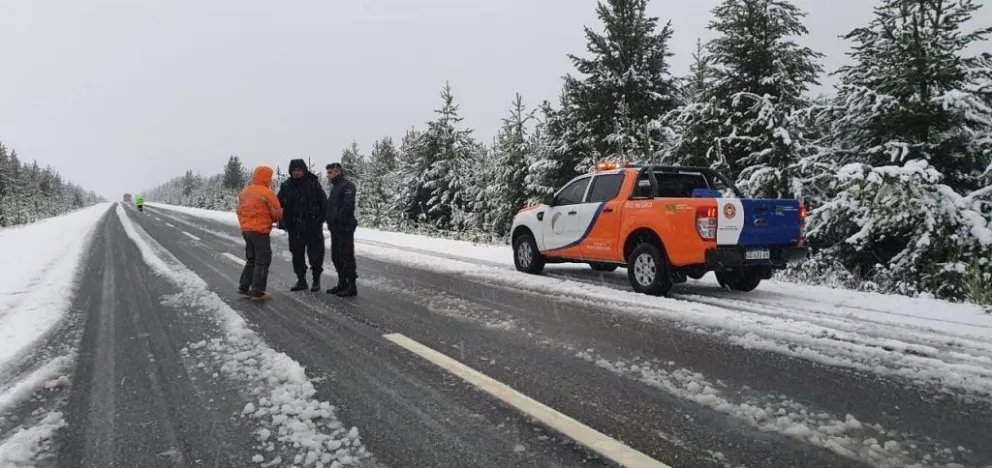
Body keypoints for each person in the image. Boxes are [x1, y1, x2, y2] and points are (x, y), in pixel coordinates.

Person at [277, 159, 327, 292]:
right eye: (294, 170)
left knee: (315, 255)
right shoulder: (286, 186)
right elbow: (278, 204)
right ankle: (301, 280)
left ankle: (316, 280)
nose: (296, 173)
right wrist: (281, 220)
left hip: (313, 226)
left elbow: (323, 202)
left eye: (299, 170)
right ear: (290, 171)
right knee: (297, 255)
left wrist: (320, 219)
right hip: (294, 227)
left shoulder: (313, 183)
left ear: (304, 170)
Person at [236, 165, 283, 301]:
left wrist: (245, 225)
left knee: (251, 259)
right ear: (267, 178)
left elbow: (239, 211)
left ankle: (244, 287)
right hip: (260, 231)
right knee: (262, 260)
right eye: (270, 177)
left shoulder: (244, 192)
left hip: (246, 230)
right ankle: (258, 292)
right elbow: (277, 214)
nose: (271, 180)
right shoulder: (267, 193)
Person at [324, 162, 358, 297]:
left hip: (345, 227)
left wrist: (337, 219)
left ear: (338, 172)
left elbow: (348, 206)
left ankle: (352, 286)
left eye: (330, 172)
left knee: (346, 256)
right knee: (336, 256)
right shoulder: (335, 187)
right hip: (335, 228)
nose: (328, 175)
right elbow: (331, 207)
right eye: (327, 173)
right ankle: (342, 283)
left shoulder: (347, 186)